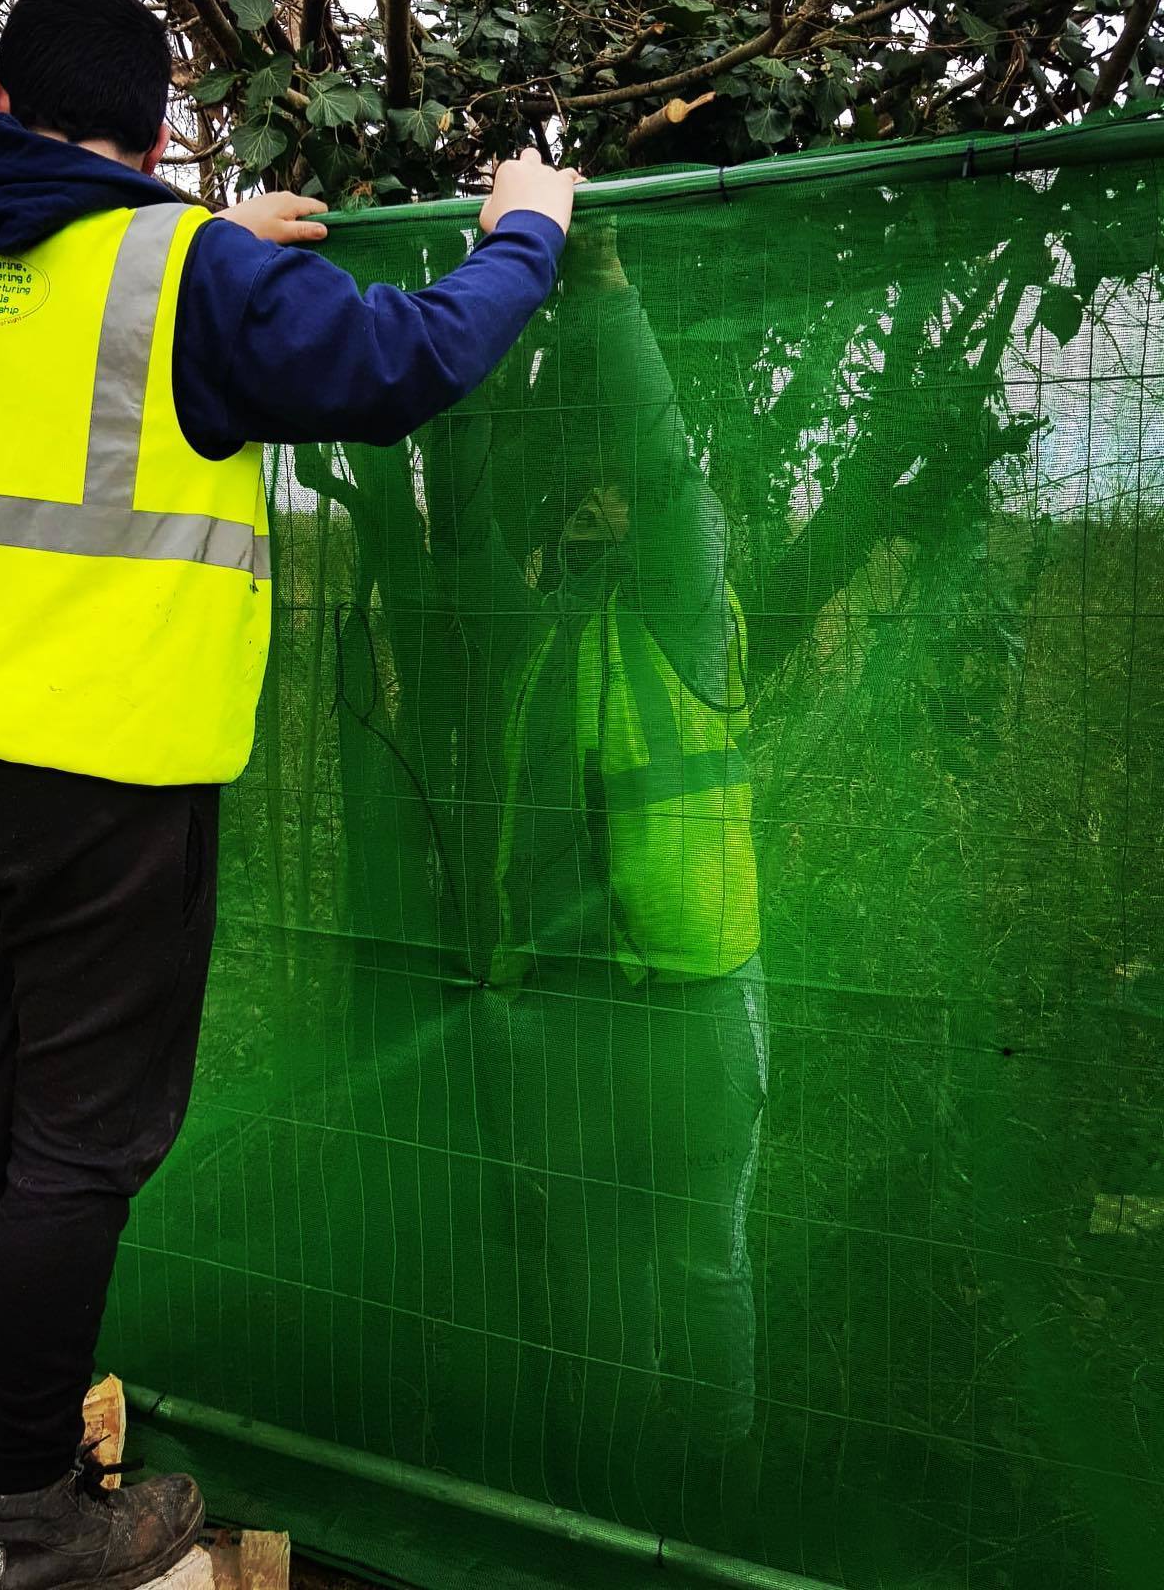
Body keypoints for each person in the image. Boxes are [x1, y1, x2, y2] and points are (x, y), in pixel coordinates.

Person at [0, 0, 579, 1590]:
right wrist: (524, 229)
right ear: (164, 125)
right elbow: (398, 363)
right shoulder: (180, 273)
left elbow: (56, 280)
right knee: (70, 1156)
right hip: (98, 801)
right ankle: (32, 1530)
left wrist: (209, 243)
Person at [432, 224, 766, 1519]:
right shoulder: (539, 637)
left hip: (689, 1007)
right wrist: (464, 304)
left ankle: (724, 1494)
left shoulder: (686, 618)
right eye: (581, 495)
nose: (601, 501)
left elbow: (672, 480)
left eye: (613, 491)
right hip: (568, 1020)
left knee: (700, 1266)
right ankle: (611, 1511)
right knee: (594, 1283)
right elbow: (462, 533)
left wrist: (609, 294)